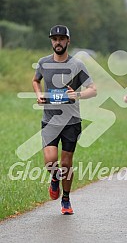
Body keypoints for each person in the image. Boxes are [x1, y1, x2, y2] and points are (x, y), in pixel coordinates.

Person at [32, 25, 97, 214]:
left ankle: (66, 199)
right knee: (51, 161)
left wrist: (78, 95)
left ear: (68, 41)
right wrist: (38, 94)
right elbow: (35, 80)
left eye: (61, 39)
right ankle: (54, 178)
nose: (57, 42)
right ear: (51, 41)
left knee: (66, 163)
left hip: (71, 122)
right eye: (54, 39)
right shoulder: (43, 63)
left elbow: (93, 89)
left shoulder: (77, 65)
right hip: (50, 120)